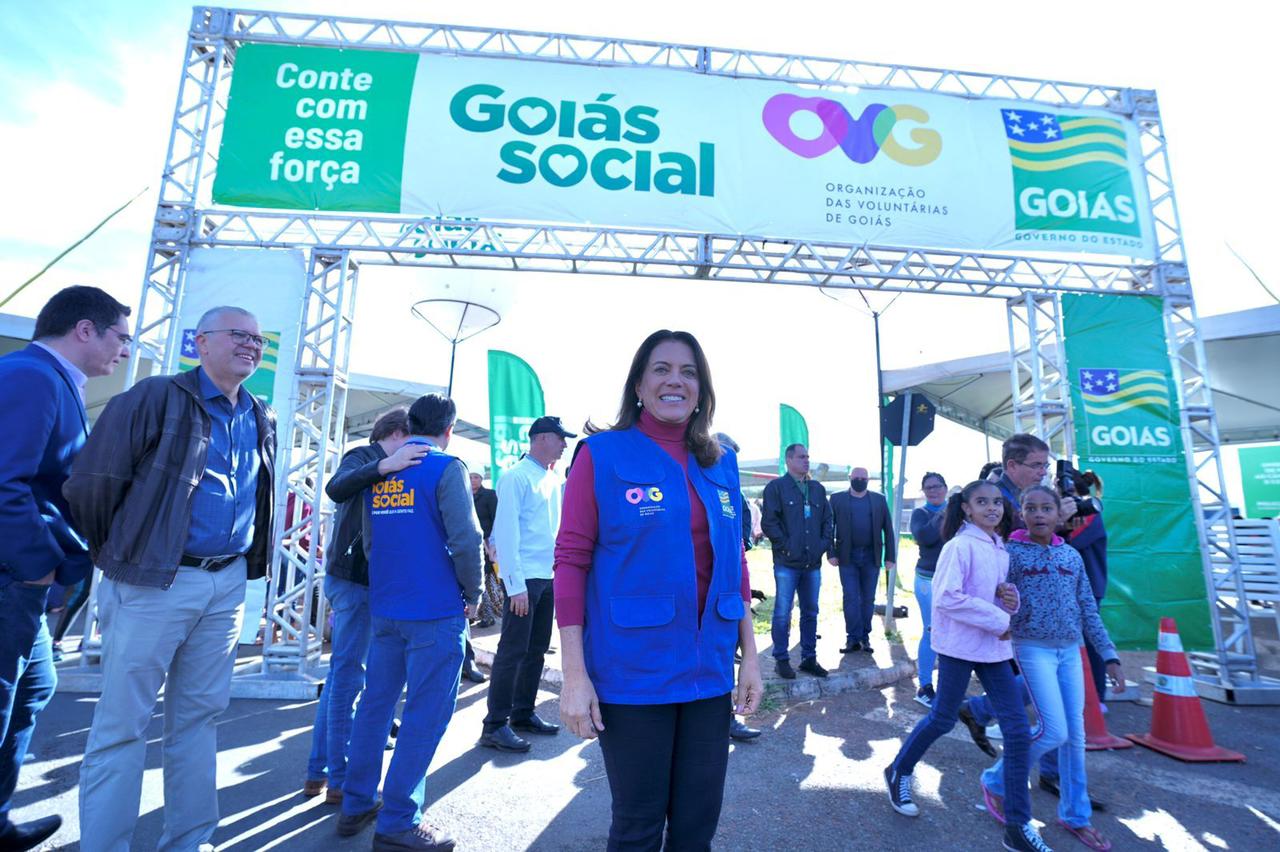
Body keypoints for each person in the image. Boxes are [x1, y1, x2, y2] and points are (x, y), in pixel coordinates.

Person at [67, 306, 275, 852]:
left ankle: (189, 841)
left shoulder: (259, 414)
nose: (252, 345)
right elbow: (91, 486)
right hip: (151, 583)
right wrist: (122, 553)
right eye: (239, 335)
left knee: (199, 721)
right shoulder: (153, 398)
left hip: (226, 584)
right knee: (121, 729)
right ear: (201, 342)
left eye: (258, 339)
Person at [554, 329, 763, 850]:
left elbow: (734, 559)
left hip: (709, 673)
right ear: (639, 385)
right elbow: (571, 561)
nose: (676, 380)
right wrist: (574, 675)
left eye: (689, 372)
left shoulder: (722, 463)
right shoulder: (600, 455)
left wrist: (751, 658)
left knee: (697, 826)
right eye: (662, 369)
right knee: (638, 827)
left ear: (702, 389)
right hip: (632, 674)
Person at [0, 286, 131, 851]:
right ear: (84, 329)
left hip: (24, 582)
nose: (124, 352)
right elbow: (6, 482)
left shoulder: (47, 379)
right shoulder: (32, 378)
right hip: (12, 577)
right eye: (121, 338)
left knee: (32, 688)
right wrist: (36, 569)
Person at [337, 394, 482, 851]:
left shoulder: (388, 468)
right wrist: (473, 594)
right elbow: (466, 538)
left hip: (388, 605)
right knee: (425, 714)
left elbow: (371, 542)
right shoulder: (447, 467)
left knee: (376, 705)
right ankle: (399, 819)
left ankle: (356, 801)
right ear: (449, 429)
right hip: (435, 610)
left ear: (411, 423)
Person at [884, 481, 1053, 852]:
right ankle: (899, 769)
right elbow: (947, 598)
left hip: (993, 649)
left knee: (1018, 731)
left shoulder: (999, 548)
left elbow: (993, 595)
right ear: (966, 508)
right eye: (982, 502)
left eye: (996, 502)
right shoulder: (959, 546)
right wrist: (1000, 619)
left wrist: (1009, 597)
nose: (992, 508)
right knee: (943, 719)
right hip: (960, 647)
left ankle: (1018, 825)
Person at [978, 486, 1124, 852]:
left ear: (1061, 515)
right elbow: (994, 595)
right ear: (1022, 513)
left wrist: (1109, 655)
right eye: (1031, 508)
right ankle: (996, 780)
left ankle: (1076, 815)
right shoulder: (1010, 554)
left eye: (1047, 508)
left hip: (1070, 651)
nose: (1039, 514)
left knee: (1075, 736)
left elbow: (1088, 608)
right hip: (1031, 649)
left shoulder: (1072, 556)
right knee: (1054, 730)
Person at [303, 408, 420, 803]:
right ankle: (339, 780)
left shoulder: (388, 464)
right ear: (398, 432)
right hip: (353, 582)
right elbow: (336, 487)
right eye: (413, 437)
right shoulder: (364, 454)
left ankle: (318, 772)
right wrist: (388, 464)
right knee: (349, 679)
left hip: (361, 582)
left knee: (341, 678)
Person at [479, 416, 573, 753]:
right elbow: (505, 534)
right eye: (561, 438)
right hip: (524, 579)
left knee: (535, 651)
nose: (564, 445)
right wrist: (514, 584)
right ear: (543, 438)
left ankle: (522, 712)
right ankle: (494, 725)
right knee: (512, 650)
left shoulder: (549, 477)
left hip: (545, 576)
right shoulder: (516, 477)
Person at [761, 443, 833, 679]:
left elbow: (827, 521)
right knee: (783, 612)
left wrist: (822, 546)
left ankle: (808, 658)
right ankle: (781, 659)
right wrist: (787, 548)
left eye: (808, 457)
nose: (807, 460)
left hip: (813, 564)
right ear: (788, 460)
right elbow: (769, 523)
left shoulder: (817, 489)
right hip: (787, 563)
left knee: (810, 611)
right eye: (802, 457)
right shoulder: (776, 488)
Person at [715, 431, 762, 743]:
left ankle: (727, 720)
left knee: (725, 656)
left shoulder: (735, 495)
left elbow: (741, 539)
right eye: (724, 455)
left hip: (729, 593)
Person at [828, 466, 897, 658]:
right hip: (846, 556)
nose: (860, 480)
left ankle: (865, 637)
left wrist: (890, 556)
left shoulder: (878, 500)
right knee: (850, 597)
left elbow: (888, 530)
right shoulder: (837, 499)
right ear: (850, 478)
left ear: (868, 480)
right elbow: (828, 527)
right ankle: (852, 638)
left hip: (871, 556)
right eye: (856, 477)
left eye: (863, 478)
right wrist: (831, 553)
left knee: (868, 598)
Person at [908, 472, 948, 707]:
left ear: (945, 487)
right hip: (927, 581)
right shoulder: (920, 514)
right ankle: (924, 687)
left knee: (951, 633)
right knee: (932, 631)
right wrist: (944, 514)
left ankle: (946, 687)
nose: (933, 491)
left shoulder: (957, 513)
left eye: (937, 486)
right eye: (928, 488)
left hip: (951, 581)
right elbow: (925, 537)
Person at [470, 471, 501, 628]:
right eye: (470, 477)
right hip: (472, 543)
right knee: (476, 577)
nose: (473, 480)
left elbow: (497, 518)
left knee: (488, 579)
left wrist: (493, 543)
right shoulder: (464, 495)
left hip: (488, 544)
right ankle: (481, 613)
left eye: (476, 477)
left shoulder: (489, 495)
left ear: (481, 479)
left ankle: (489, 615)